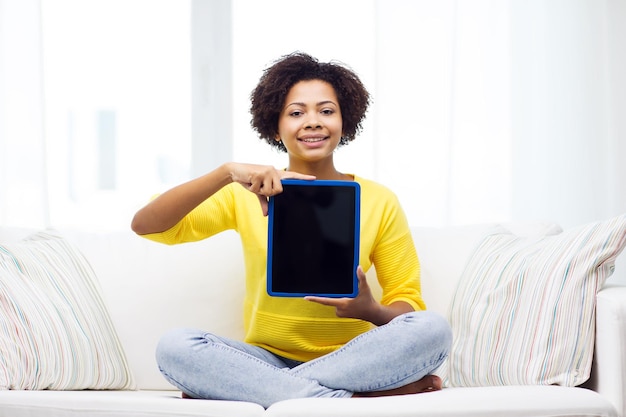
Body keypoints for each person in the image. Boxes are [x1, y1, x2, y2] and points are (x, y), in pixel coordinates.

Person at [131, 52, 452, 408]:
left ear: (345, 122)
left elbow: (410, 303)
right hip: (264, 359)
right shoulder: (245, 194)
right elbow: (146, 225)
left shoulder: (379, 200)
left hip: (355, 359)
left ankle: (271, 391)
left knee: (433, 329)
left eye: (326, 111)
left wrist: (371, 310)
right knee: (176, 347)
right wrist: (227, 172)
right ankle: (357, 398)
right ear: (274, 126)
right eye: (297, 113)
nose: (312, 122)